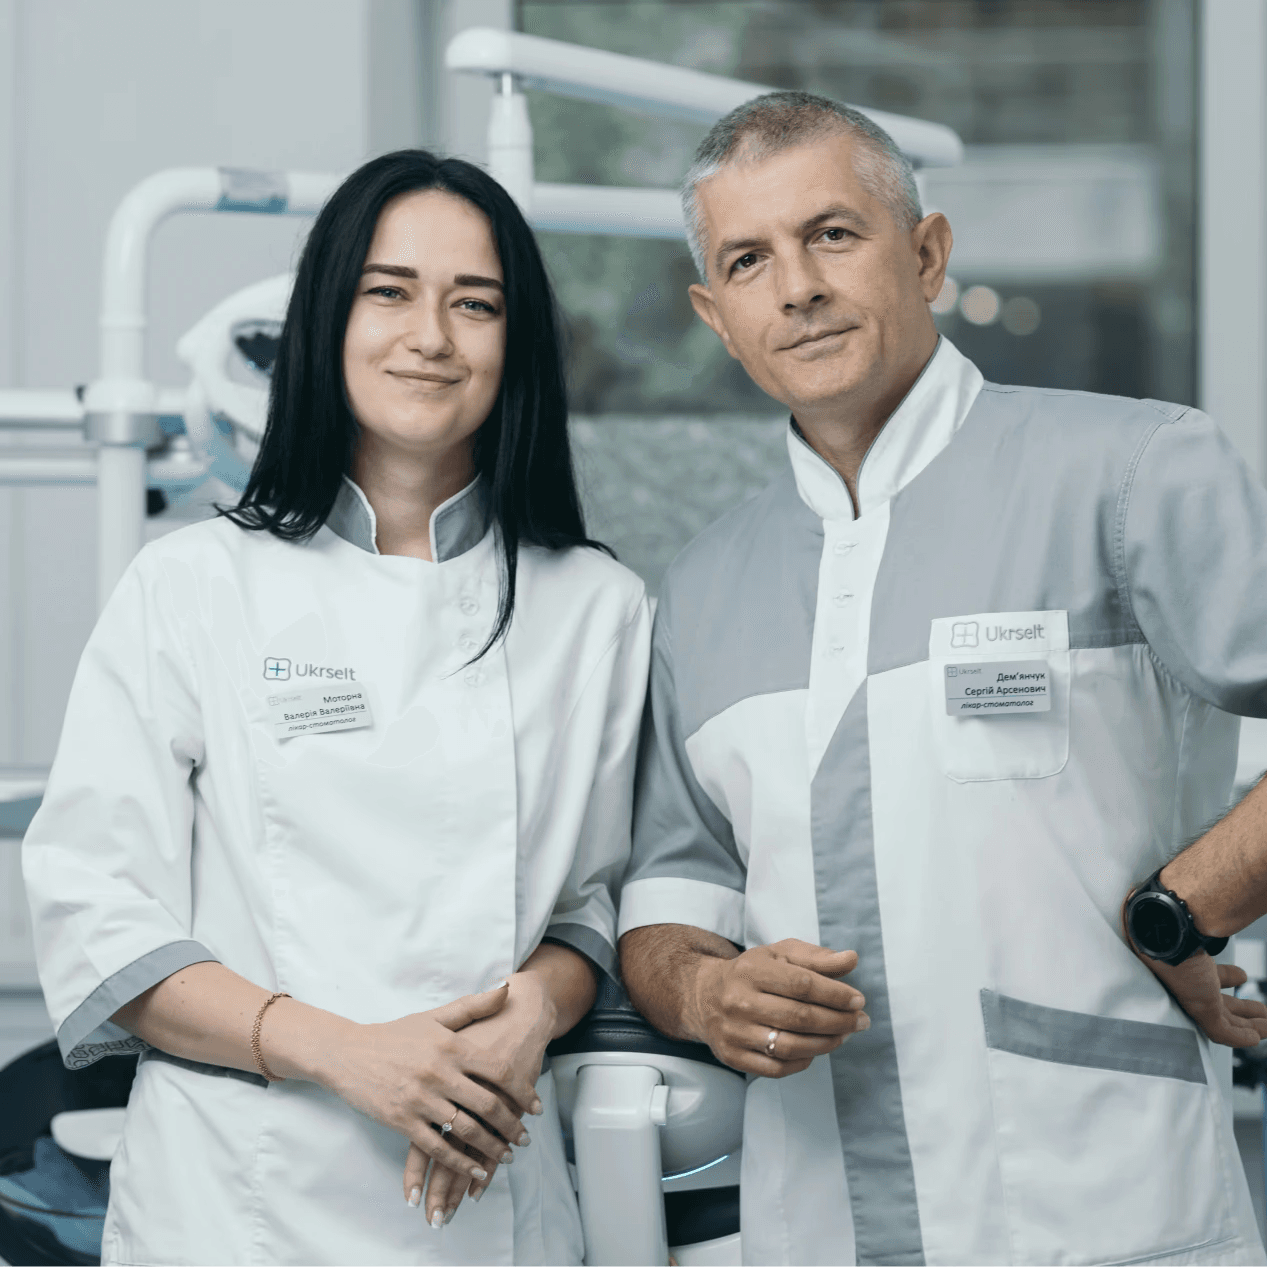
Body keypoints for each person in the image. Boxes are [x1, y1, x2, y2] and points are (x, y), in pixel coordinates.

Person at [617, 91, 1267, 1267]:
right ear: (716, 317)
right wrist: (702, 993)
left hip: (1092, 1204)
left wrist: (1183, 910)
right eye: (748, 259)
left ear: (926, 251)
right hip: (810, 1220)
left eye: (832, 234)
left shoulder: (1127, 473)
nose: (797, 286)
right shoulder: (702, 590)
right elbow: (675, 879)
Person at [22, 149, 650, 1267]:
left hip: (491, 1188)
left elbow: (589, 905)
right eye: (389, 291)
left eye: (476, 303)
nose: (431, 335)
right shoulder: (195, 585)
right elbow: (97, 913)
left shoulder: (596, 606)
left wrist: (531, 1018)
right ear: (329, 317)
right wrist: (349, 1054)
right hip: (241, 1194)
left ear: (519, 346)